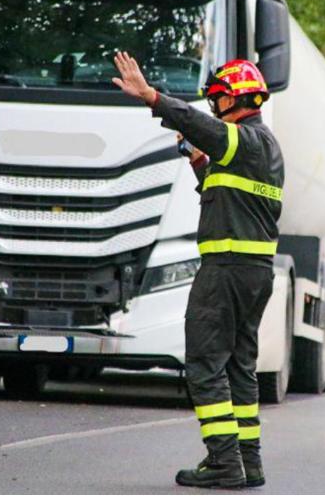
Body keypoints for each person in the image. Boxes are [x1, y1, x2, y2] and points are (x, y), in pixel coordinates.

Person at [113, 53, 283, 487]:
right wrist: (201, 167)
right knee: (239, 366)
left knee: (205, 364)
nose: (213, 107)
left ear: (235, 98)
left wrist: (151, 96)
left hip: (226, 270)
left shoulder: (244, 139)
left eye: (218, 99)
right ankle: (249, 461)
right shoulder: (261, 149)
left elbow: (197, 123)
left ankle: (224, 462)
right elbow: (233, 200)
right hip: (253, 272)